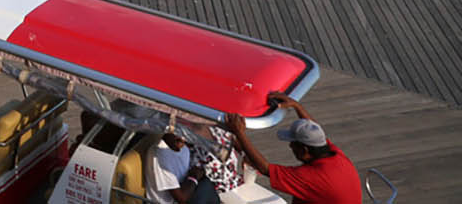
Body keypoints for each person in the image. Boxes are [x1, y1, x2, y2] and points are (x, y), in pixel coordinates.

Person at [226, 95, 359, 204]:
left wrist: (239, 133)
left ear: (305, 150)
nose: (290, 146)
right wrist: (296, 106)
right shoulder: (336, 156)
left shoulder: (311, 177)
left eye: (293, 144)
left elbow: (265, 169)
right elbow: (316, 130)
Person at [146, 129, 215, 204]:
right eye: (177, 130)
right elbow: (181, 198)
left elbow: (185, 176)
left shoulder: (184, 148)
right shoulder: (160, 154)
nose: (183, 138)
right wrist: (194, 177)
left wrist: (196, 174)